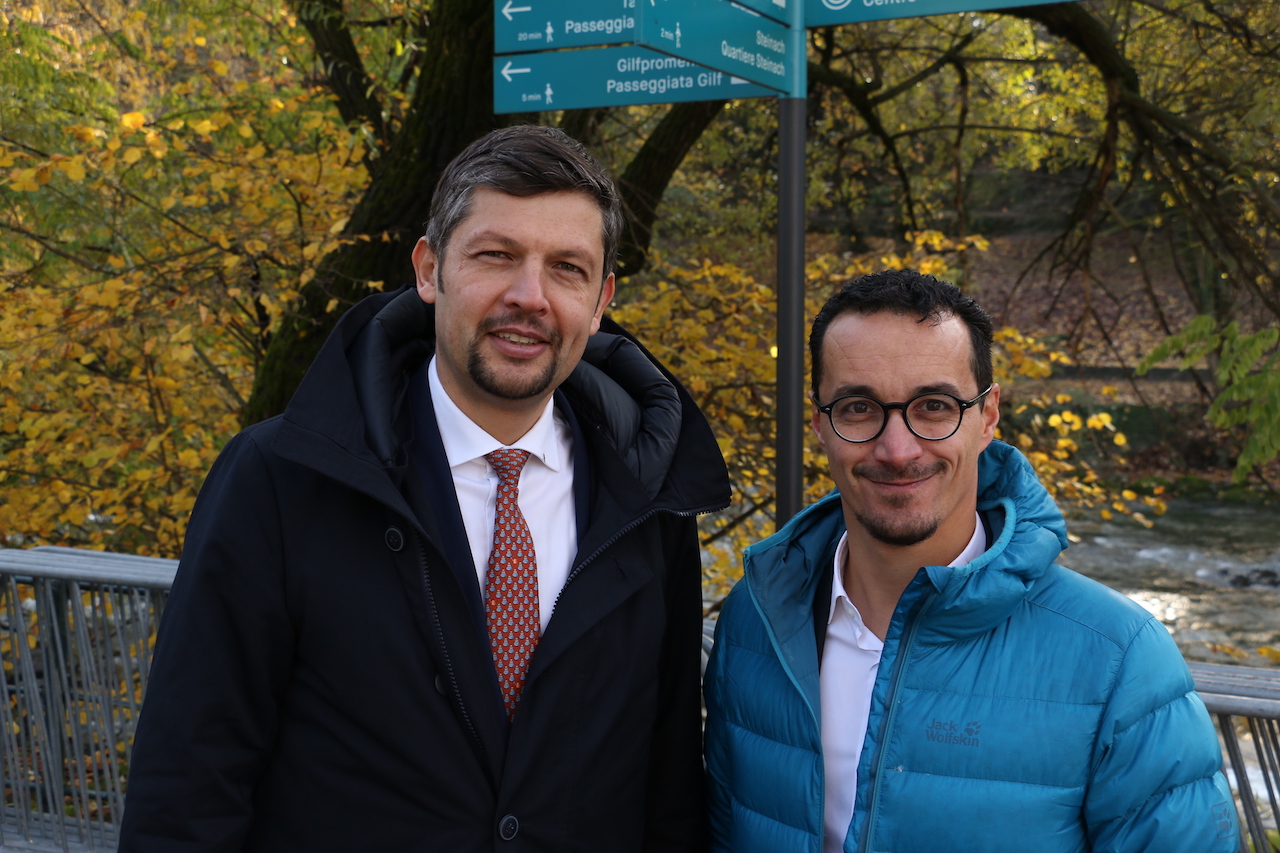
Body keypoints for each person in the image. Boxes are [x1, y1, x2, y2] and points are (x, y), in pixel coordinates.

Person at [119, 126, 729, 852]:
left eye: (567, 268)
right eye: (496, 255)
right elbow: (188, 782)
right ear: (430, 269)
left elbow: (667, 791)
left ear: (600, 302)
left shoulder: (649, 497)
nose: (529, 297)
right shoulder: (279, 478)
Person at [703, 270, 1237, 853]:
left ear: (988, 417)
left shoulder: (1119, 658)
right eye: (858, 407)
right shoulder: (756, 624)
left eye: (934, 406)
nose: (897, 449)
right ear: (820, 424)